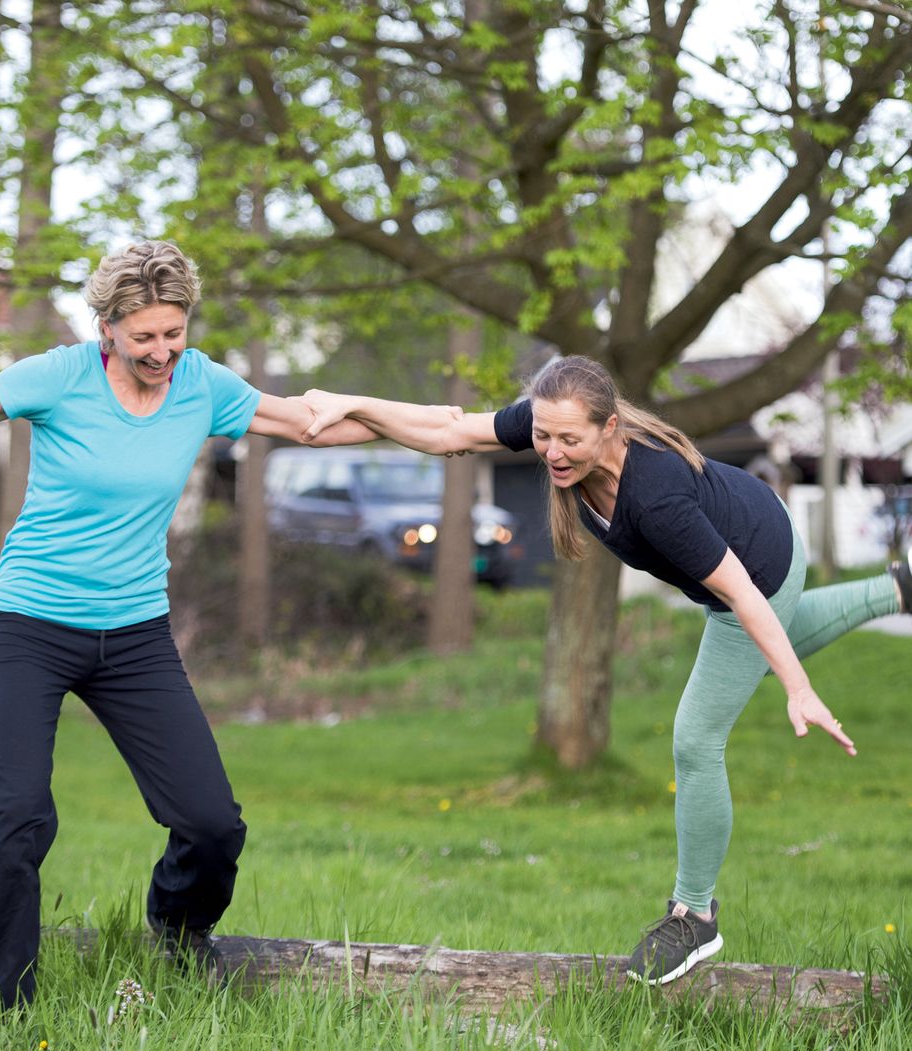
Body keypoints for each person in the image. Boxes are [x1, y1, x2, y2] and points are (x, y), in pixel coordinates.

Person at [300, 354, 912, 985]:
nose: (553, 452)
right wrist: (358, 405)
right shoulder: (550, 420)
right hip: (758, 527)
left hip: (760, 570)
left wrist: (800, 687)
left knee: (696, 739)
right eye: (542, 437)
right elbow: (450, 431)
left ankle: (694, 915)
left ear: (609, 428)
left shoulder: (656, 499)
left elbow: (747, 599)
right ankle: (896, 590)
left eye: (570, 440)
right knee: (748, 664)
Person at [0, 241, 377, 1018]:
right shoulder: (59, 375)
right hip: (29, 623)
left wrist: (435, 427)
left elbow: (309, 424)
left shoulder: (201, 383)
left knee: (210, 821)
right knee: (17, 812)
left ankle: (175, 931)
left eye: (174, 333)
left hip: (133, 634)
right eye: (145, 337)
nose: (163, 351)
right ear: (108, 327)